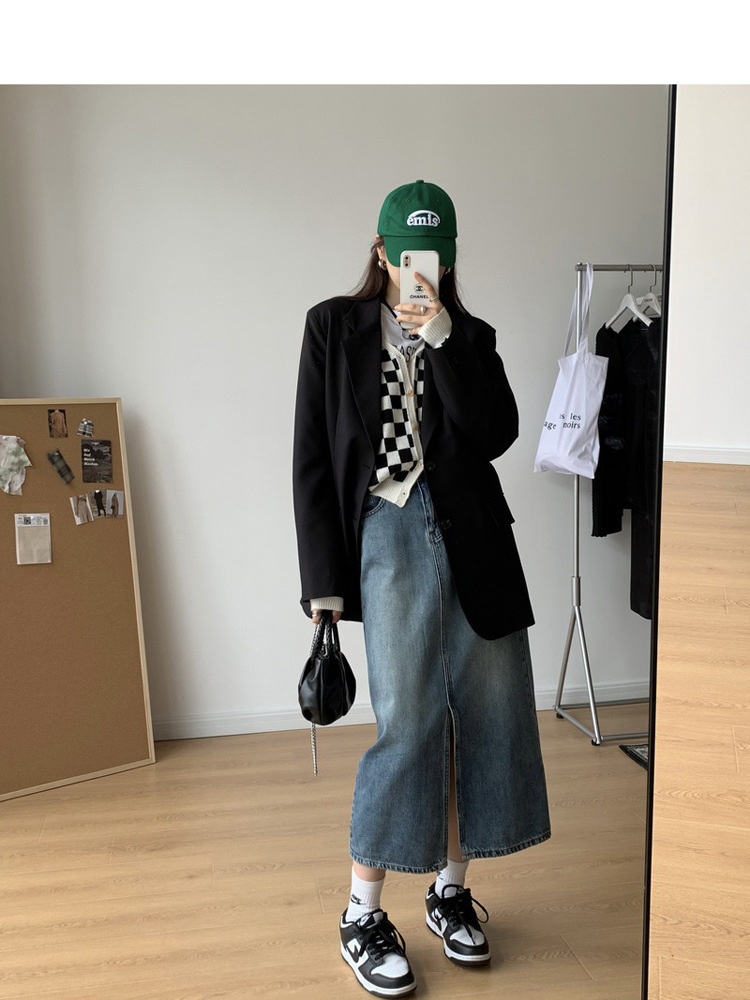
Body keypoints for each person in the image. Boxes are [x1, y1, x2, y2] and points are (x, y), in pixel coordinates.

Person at [293, 180, 550, 997]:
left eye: (433, 258)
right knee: (406, 724)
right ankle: (362, 913)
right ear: (381, 252)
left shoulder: (469, 336)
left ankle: (449, 891)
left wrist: (441, 336)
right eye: (407, 254)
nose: (419, 270)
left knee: (487, 717)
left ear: (449, 260)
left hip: (475, 537)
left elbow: (495, 433)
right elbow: (311, 461)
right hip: (386, 530)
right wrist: (324, 587)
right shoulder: (331, 328)